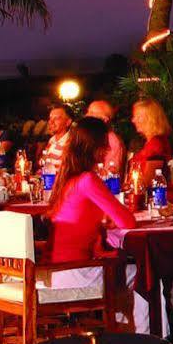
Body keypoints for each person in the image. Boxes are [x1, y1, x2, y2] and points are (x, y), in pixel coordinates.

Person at [43, 119, 138, 303]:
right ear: (93, 147)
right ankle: (147, 332)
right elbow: (128, 222)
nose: (108, 150)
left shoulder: (66, 178)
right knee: (143, 274)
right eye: (104, 145)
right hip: (75, 272)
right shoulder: (87, 180)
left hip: (57, 270)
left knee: (124, 270)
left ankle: (119, 327)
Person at [127, 98, 173, 190]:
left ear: (151, 119)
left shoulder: (156, 144)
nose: (133, 120)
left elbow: (147, 181)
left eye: (138, 116)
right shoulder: (152, 142)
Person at [86, 100, 126, 178]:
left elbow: (110, 174)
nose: (87, 115)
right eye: (88, 112)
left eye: (92, 113)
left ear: (104, 119)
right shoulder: (89, 136)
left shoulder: (112, 141)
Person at [36, 103, 73, 177]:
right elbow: (43, 163)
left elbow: (66, 173)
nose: (51, 122)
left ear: (68, 122)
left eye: (56, 118)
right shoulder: (52, 140)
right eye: (50, 118)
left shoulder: (70, 143)